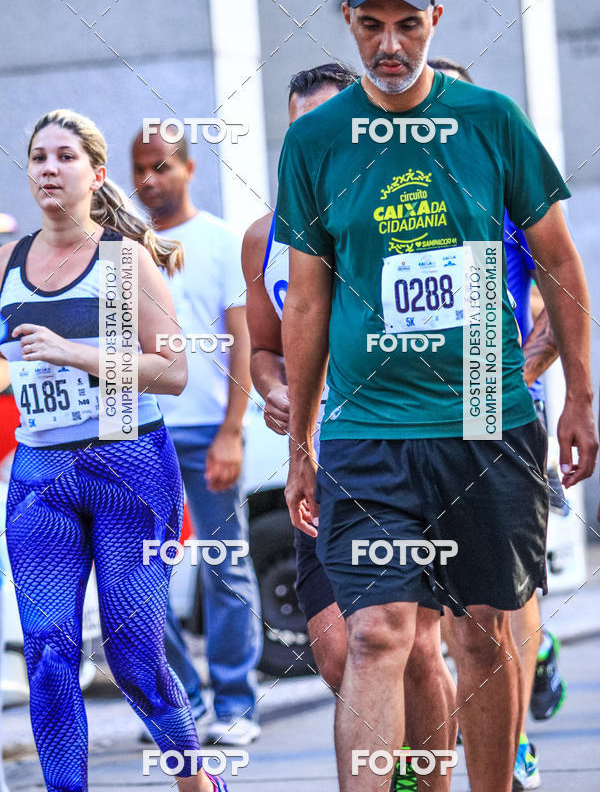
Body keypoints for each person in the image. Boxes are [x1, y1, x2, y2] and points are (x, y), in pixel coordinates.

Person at [275, 0, 598, 792]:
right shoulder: (314, 142)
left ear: (435, 23)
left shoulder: (490, 120)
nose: (390, 45)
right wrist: (301, 439)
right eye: (373, 26)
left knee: (483, 629)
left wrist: (580, 401)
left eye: (408, 25)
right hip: (369, 431)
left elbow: (560, 260)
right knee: (378, 632)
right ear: (348, 23)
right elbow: (304, 303)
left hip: (484, 419)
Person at [242, 62, 457, 792]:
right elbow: (265, 350)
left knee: (411, 647)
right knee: (340, 653)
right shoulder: (263, 236)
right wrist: (278, 393)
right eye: (304, 125)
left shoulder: (410, 214)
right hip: (322, 461)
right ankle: (391, 767)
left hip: (405, 447)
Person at [0, 110, 226, 791]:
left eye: (64, 156)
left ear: (95, 174)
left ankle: (193, 776)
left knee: (131, 654)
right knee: (47, 652)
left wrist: (76, 353)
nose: (48, 168)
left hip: (127, 467)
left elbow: (173, 370)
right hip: (40, 472)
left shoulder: (122, 261)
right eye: (38, 156)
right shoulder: (9, 264)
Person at [431, 57, 568, 789]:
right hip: (415, 419)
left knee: (504, 596)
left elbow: (559, 294)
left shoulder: (503, 191)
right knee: (455, 613)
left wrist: (520, 375)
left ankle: (509, 739)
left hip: (500, 410)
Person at [131, 129, 262, 747]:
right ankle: (178, 704)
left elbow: (243, 341)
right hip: (137, 434)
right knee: (137, 577)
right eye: (138, 170)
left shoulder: (220, 242)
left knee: (225, 566)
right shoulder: (122, 245)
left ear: (187, 167)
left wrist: (232, 431)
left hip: (208, 429)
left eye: (160, 167)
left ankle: (236, 706)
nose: (149, 180)